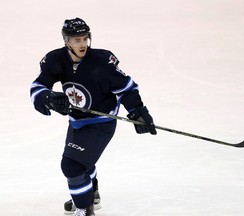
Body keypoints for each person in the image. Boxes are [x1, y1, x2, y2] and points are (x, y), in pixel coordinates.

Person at [30, 17, 157, 216]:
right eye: (77, 40)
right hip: (76, 120)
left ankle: (84, 208)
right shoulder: (56, 59)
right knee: (83, 163)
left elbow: (127, 89)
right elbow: (38, 86)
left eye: (85, 39)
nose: (83, 44)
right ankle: (91, 195)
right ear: (66, 41)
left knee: (72, 165)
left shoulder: (101, 62)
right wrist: (48, 98)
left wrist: (137, 111)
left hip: (102, 121)